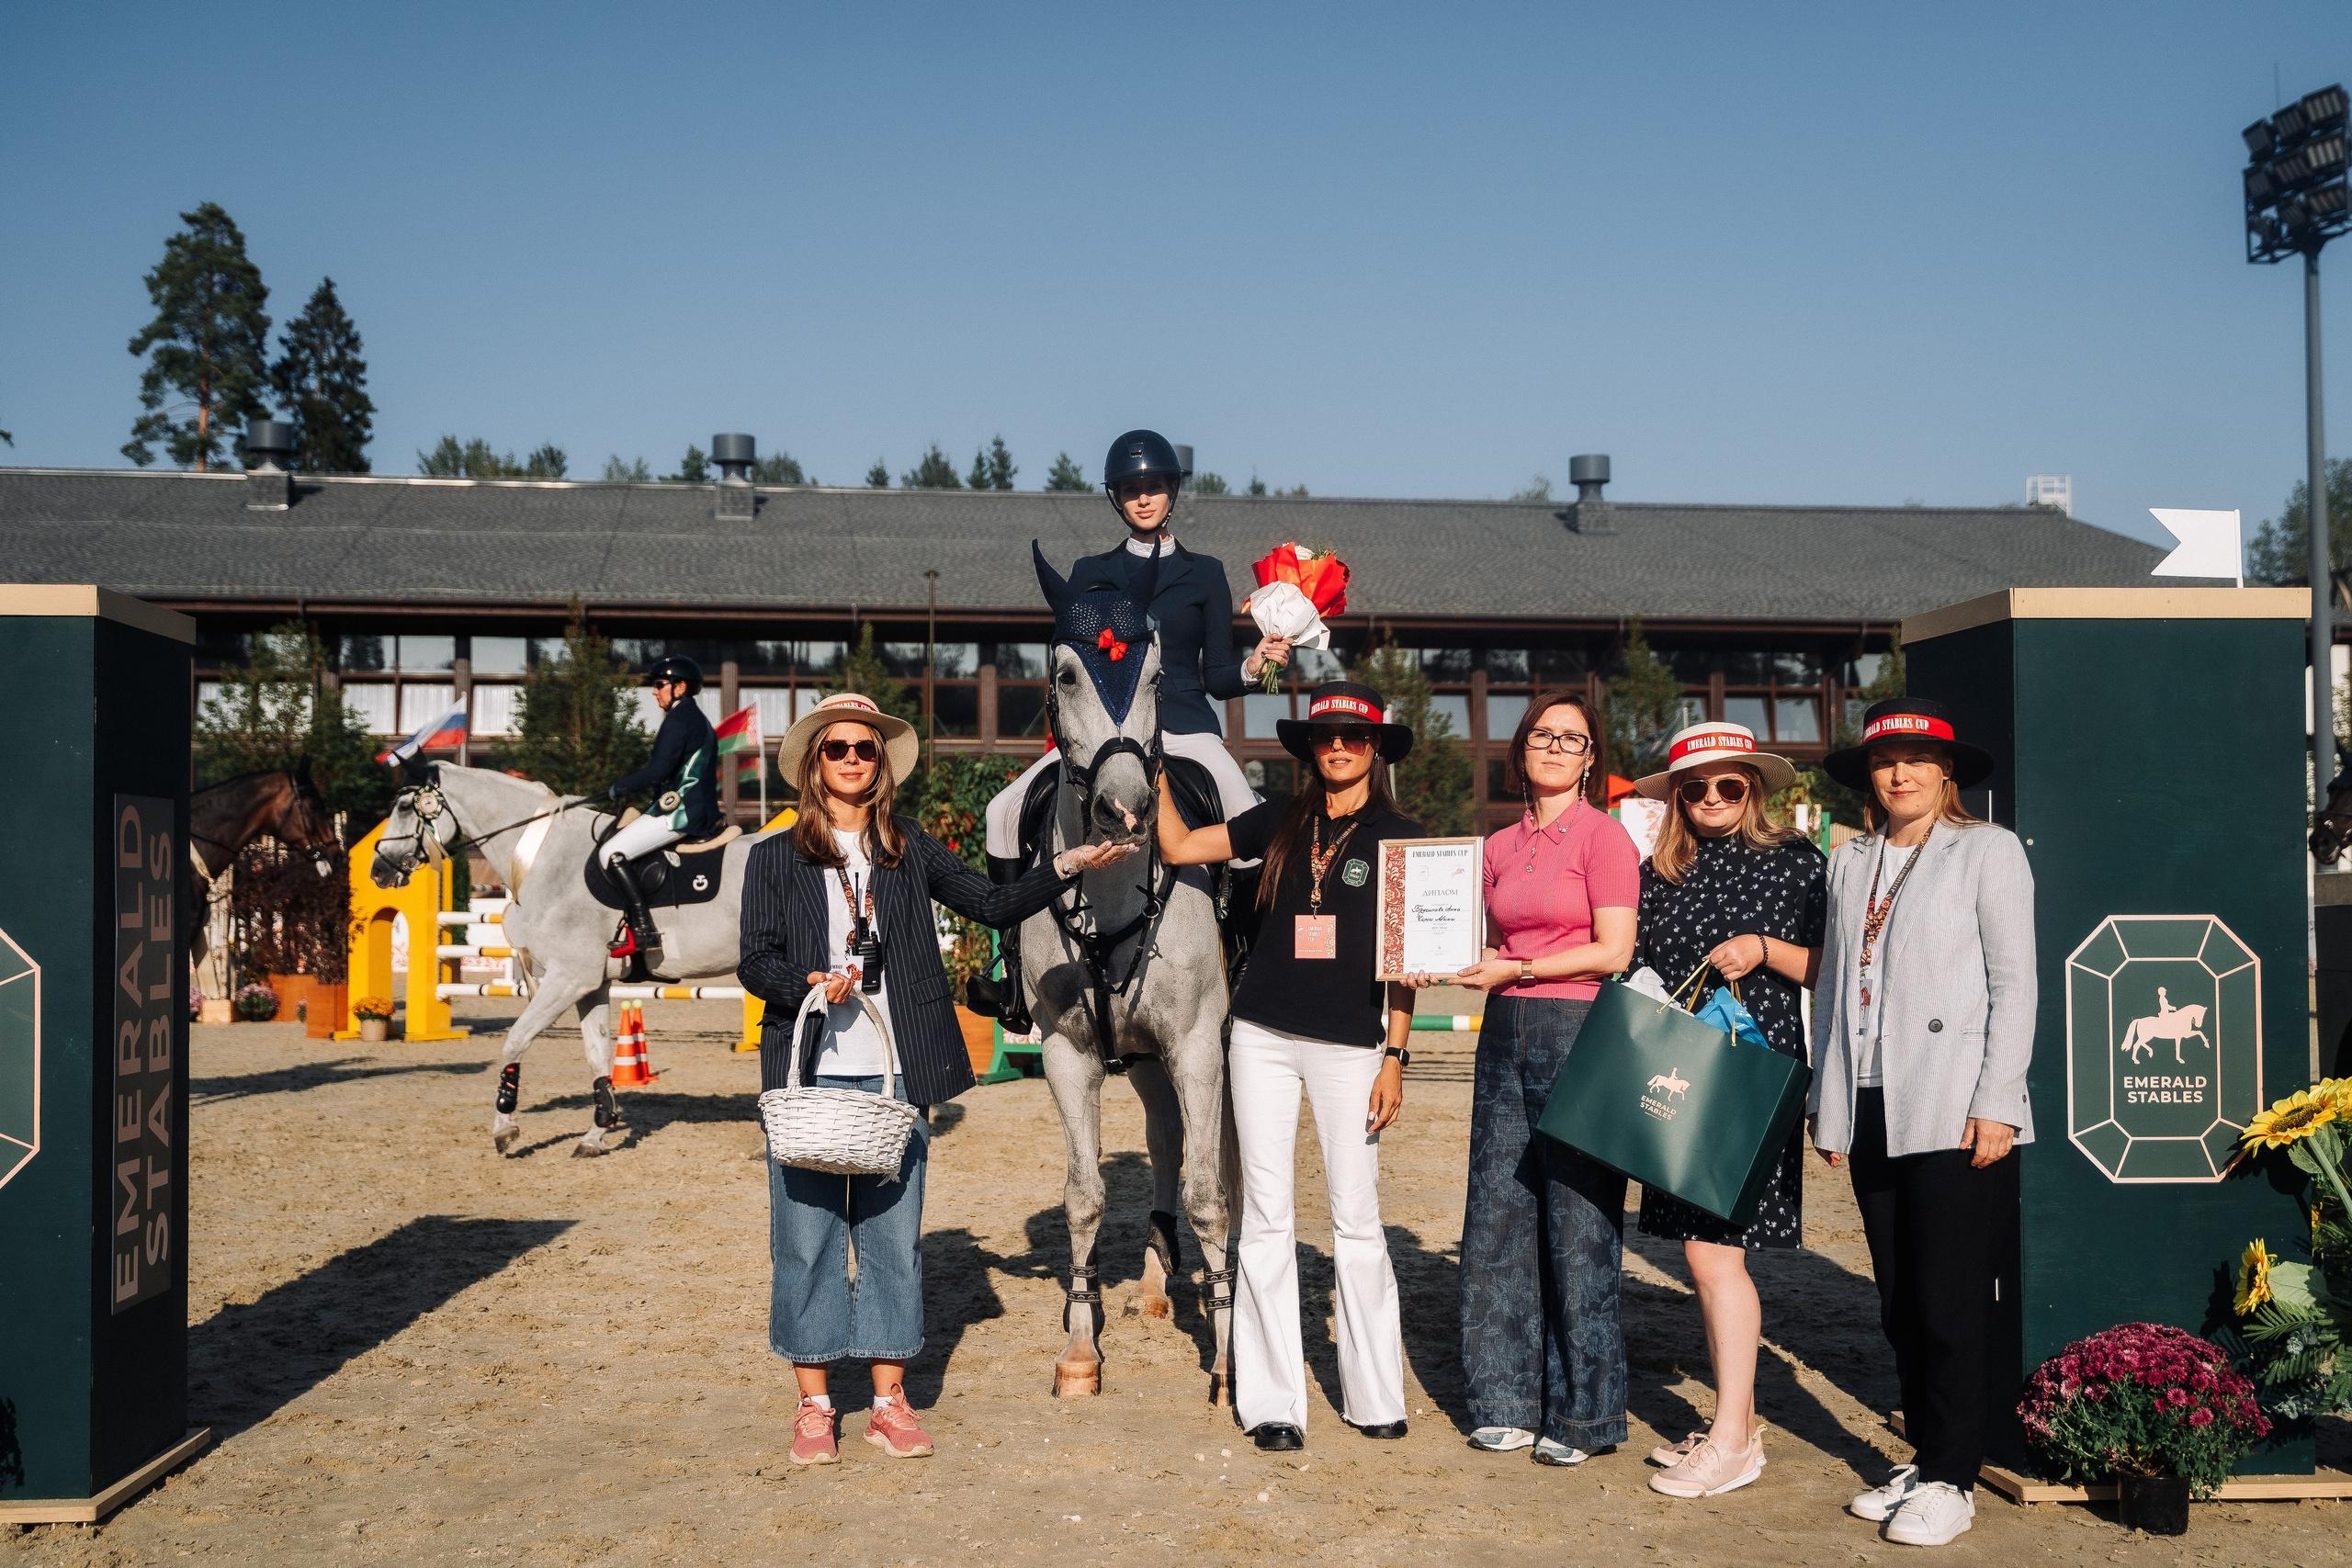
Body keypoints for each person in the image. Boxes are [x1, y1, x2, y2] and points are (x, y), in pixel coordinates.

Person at [738, 692, 1136, 1467]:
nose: (853, 758)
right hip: (809, 1077)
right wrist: (807, 981)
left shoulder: (907, 845)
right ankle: (815, 1404)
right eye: (837, 747)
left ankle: (888, 1401)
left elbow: (990, 901)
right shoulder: (773, 856)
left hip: (897, 1076)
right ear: (815, 762)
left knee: (892, 1244)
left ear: (881, 763)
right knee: (806, 1243)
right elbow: (755, 960)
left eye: (866, 748)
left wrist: (1067, 864)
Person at [1156, 681, 1419, 1452]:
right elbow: (1179, 847)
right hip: (1261, 1035)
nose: (1338, 746)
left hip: (1353, 1044)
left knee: (1356, 1218)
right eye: (1325, 735)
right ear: (1310, 746)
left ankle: (1375, 1396)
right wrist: (1156, 764)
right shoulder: (1277, 818)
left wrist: (1396, 1054)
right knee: (1266, 1216)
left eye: (1354, 736)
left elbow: (1406, 964)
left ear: (1376, 748)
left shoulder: (1403, 837)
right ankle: (1273, 1402)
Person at [1810, 697, 2034, 1548]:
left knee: (1949, 1300)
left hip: (1954, 1100)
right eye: (1883, 760)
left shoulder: (1988, 850)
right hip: (1870, 1098)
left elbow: (2016, 982)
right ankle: (1926, 1454)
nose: (1898, 773)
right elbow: (1834, 986)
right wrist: (1828, 1099)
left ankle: (1953, 1477)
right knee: (1900, 1299)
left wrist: (1998, 1099)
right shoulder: (1850, 860)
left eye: (1915, 759)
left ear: (1946, 772)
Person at [982, 431, 1295, 1014]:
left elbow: (1217, 674)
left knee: (1250, 829)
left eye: (1153, 486)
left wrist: (1255, 666)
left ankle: (1251, 960)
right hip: (1103, 734)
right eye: (1131, 489)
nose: (1143, 498)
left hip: (1183, 726)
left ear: (1172, 491)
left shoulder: (1205, 573)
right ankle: (1010, 968)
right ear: (1116, 498)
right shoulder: (1089, 571)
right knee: (1001, 814)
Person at [1405, 691, 1639, 1467]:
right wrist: (1417, 953)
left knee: (1580, 1218)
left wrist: (1522, 967)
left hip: (1579, 1029)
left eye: (1572, 738)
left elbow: (1613, 950)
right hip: (1503, 1028)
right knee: (1498, 1210)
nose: (1556, 747)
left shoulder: (1605, 837)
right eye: (1543, 734)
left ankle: (1583, 1413)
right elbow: (1470, 938)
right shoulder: (1498, 845)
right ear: (1522, 748)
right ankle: (1502, 1399)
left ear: (1591, 757)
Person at [1623, 722, 1826, 1499]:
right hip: (1676, 1076)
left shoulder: (1798, 862)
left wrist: (1765, 949)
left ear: (1754, 787)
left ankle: (1735, 1439)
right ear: (1677, 797)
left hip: (1749, 1075)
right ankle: (1730, 1424)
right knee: (1705, 1252)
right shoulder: (1658, 870)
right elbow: (1636, 961)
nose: (1711, 797)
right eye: (1695, 787)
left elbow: (1838, 966)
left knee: (1715, 1255)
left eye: (1728, 784)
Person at [600, 654, 720, 975]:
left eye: (659, 684)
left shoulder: (679, 720)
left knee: (611, 852)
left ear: (680, 687)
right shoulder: (696, 718)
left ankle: (643, 930)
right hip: (694, 806)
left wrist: (619, 787)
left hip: (681, 811)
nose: (654, 691)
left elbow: (658, 771)